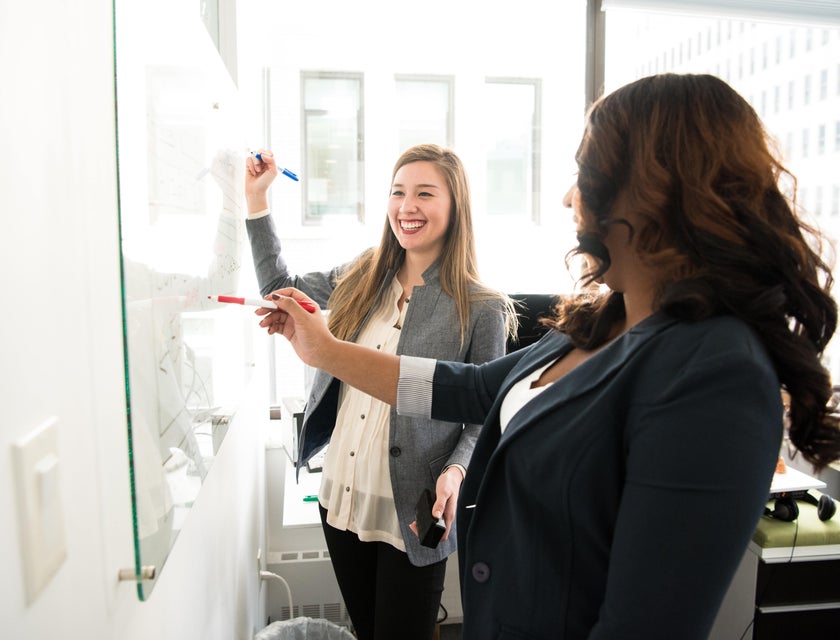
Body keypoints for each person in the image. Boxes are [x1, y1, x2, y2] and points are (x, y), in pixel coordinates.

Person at [255, 73, 840, 639]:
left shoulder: (716, 373)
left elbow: (642, 625)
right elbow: (471, 388)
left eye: (586, 173)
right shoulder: (597, 322)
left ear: (656, 191)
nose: (567, 196)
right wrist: (327, 352)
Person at [244, 144, 515, 640]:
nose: (406, 207)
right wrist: (256, 201)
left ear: (455, 206)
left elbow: (486, 413)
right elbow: (280, 287)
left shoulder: (482, 307)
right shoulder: (362, 275)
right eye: (398, 192)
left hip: (414, 507)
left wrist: (456, 471)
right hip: (342, 496)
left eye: (424, 194)